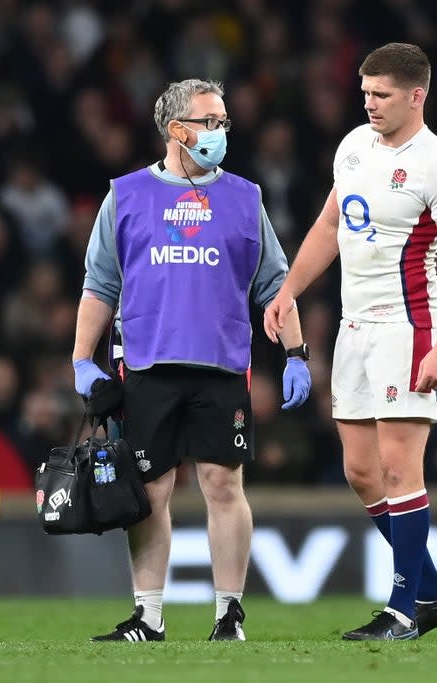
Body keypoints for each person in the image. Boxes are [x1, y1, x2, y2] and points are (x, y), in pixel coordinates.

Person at [72, 79, 311, 643]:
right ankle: (148, 617)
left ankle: (229, 615)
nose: (221, 131)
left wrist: (297, 353)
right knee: (150, 490)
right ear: (178, 130)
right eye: (210, 121)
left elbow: (275, 284)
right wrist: (82, 359)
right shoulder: (125, 195)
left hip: (221, 363)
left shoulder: (245, 198)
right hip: (148, 363)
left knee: (223, 486)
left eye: (223, 121)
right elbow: (99, 285)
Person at [265, 43, 437, 641]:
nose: (369, 104)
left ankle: (403, 610)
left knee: (397, 465)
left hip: (408, 327)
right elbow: (332, 224)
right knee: (361, 471)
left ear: (418, 96)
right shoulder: (354, 147)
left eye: (381, 94)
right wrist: (288, 291)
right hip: (352, 327)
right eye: (364, 92)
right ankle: (434, 593)